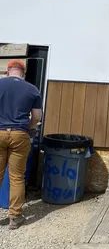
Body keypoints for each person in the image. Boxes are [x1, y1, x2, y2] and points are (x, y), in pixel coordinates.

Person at [0, 60, 42, 230]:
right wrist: (28, 127)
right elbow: (37, 117)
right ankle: (15, 218)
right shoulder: (32, 89)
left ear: (7, 71)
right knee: (17, 177)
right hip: (20, 134)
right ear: (23, 73)